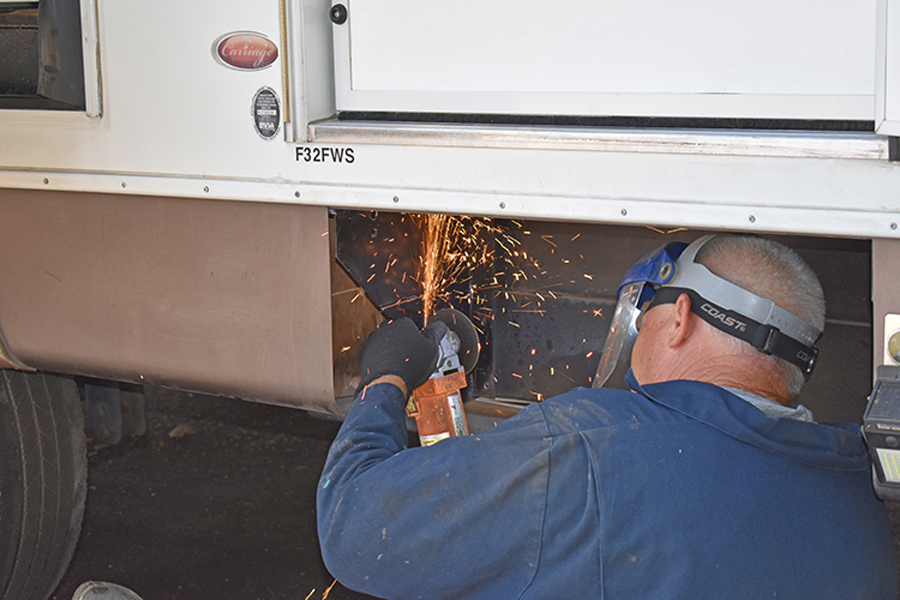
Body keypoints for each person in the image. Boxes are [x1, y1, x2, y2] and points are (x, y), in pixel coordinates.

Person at [317, 233, 897, 599]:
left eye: (645, 316)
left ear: (680, 318)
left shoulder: (588, 447)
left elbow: (356, 527)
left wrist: (385, 378)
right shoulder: (865, 505)